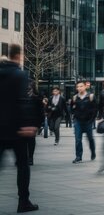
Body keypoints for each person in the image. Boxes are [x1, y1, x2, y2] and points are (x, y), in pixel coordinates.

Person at [0, 45, 40, 213]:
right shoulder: (20, 74)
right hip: (17, 129)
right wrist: (27, 124)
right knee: (23, 166)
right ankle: (23, 201)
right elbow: (23, 101)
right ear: (18, 56)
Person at [71, 80, 97, 164]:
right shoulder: (75, 97)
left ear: (85, 87)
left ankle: (93, 151)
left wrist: (92, 120)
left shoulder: (91, 96)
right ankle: (78, 157)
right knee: (78, 139)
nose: (79, 88)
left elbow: (95, 109)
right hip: (78, 121)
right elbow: (72, 109)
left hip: (88, 122)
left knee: (90, 139)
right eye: (78, 87)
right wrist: (74, 118)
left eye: (81, 86)